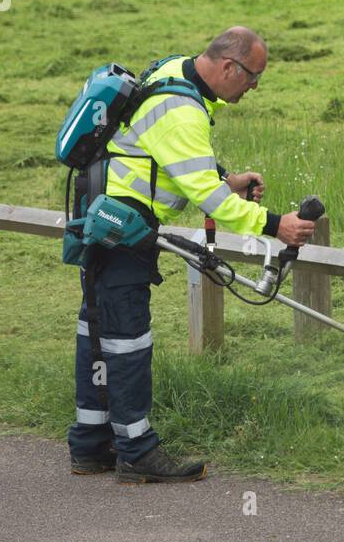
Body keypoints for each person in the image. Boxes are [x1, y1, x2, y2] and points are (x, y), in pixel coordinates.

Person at [67, 26, 317, 483]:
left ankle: (89, 445)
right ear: (227, 67)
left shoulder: (173, 69)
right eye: (254, 76)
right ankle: (137, 452)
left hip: (100, 214)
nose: (255, 86)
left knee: (98, 329)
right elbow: (210, 200)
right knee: (127, 340)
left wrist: (226, 176)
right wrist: (276, 224)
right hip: (123, 227)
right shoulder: (183, 111)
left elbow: (173, 158)